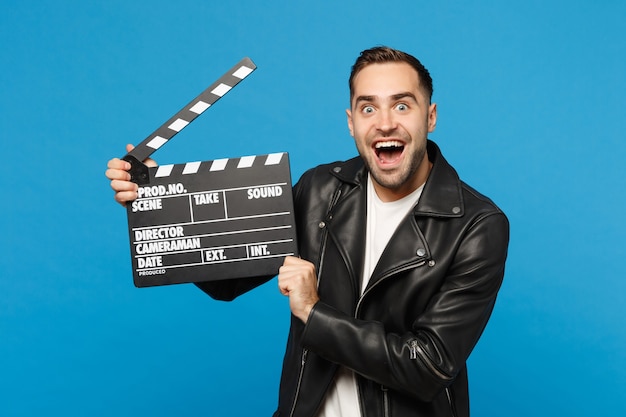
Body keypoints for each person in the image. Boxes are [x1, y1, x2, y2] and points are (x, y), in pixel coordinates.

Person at [106, 46, 509, 417]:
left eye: (402, 105)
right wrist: (161, 205)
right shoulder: (319, 190)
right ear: (351, 123)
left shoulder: (477, 225)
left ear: (430, 117)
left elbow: (429, 366)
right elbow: (227, 281)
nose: (385, 123)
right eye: (368, 109)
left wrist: (313, 313)